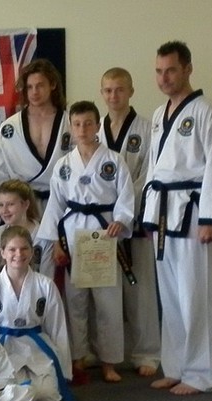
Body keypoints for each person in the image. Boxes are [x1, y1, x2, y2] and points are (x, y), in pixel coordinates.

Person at [142, 41, 212, 395]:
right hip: (165, 212)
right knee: (172, 295)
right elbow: (154, 169)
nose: (164, 78)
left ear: (188, 69)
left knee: (198, 293)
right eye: (159, 71)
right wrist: (150, 216)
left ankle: (201, 373)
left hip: (195, 211)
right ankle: (177, 365)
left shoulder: (209, 111)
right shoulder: (158, 115)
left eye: (171, 70)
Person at [39, 100, 134, 383]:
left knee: (108, 300)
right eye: (77, 124)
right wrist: (55, 242)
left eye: (88, 123)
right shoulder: (64, 165)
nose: (82, 129)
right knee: (76, 300)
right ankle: (78, 358)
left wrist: (122, 219)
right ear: (71, 127)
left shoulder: (113, 160)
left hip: (105, 232)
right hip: (73, 233)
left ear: (97, 125)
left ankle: (109, 361)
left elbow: (126, 195)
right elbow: (55, 204)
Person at [98, 67, 160, 377]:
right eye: (108, 90)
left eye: (119, 89)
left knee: (140, 288)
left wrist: (123, 210)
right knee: (103, 289)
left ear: (131, 91)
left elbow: (148, 175)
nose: (113, 96)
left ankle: (146, 352)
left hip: (134, 220)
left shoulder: (148, 128)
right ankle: (104, 352)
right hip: (101, 224)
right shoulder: (94, 130)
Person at [0, 226, 76, 401]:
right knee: (10, 388)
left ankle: (21, 399)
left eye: (24, 249)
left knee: (46, 397)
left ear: (32, 252)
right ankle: (19, 397)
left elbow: (58, 329)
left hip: (37, 346)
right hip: (4, 349)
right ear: (2, 253)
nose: (19, 254)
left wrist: (64, 371)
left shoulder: (45, 285)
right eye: (12, 249)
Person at [0, 59, 71, 212]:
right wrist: (6, 206)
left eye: (40, 85)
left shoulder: (70, 123)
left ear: (53, 85)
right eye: (30, 87)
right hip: (22, 205)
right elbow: (2, 173)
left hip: (62, 200)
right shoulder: (10, 127)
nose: (34, 92)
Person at [0, 180, 54, 280]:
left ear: (25, 204)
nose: (4, 211)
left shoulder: (43, 236)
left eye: (10, 204)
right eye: (1, 205)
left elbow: (47, 278)